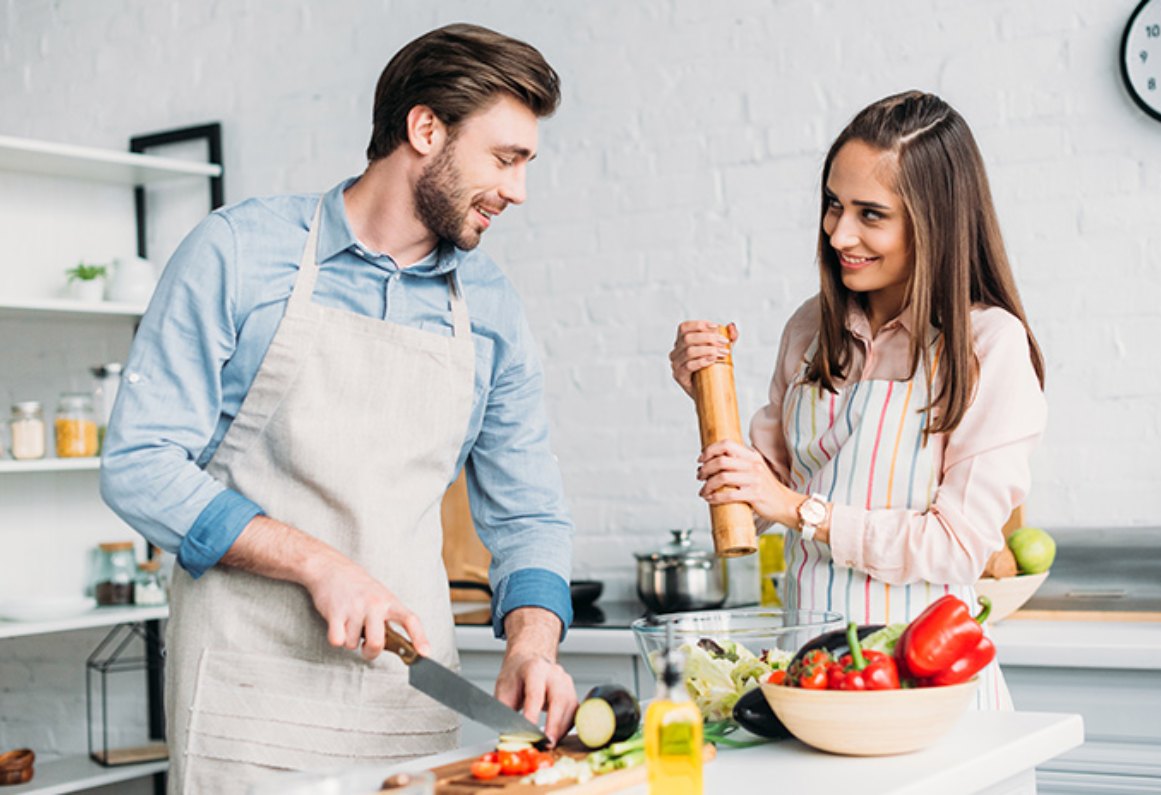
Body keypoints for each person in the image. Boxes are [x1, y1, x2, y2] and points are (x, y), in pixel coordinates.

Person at [101, 23, 577, 790]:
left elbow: (528, 515)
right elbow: (139, 466)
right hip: (247, 707)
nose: (518, 189)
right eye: (505, 158)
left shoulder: (491, 309)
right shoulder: (238, 254)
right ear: (426, 128)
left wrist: (532, 645)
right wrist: (318, 563)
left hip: (407, 703)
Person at [669, 91, 1046, 709]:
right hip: (811, 685)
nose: (839, 233)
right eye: (833, 205)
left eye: (871, 214)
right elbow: (758, 504)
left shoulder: (989, 346)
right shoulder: (809, 331)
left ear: (936, 223)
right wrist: (706, 398)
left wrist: (803, 512)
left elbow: (957, 545)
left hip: (930, 695)